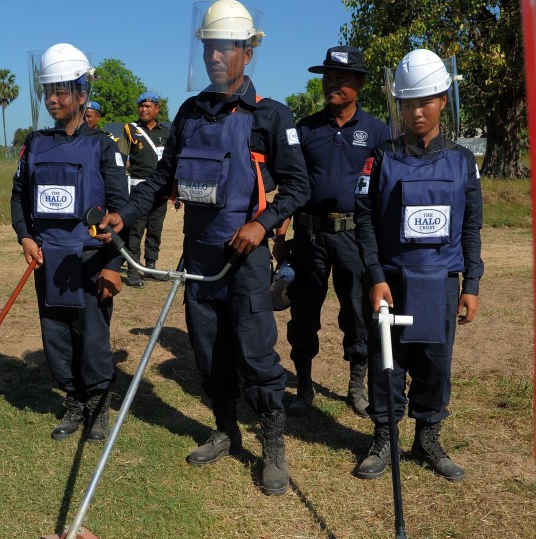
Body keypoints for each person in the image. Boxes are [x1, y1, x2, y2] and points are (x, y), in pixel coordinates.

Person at [98, 0, 310, 496]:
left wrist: (262, 225)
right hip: (198, 258)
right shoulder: (189, 113)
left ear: (247, 52)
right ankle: (225, 429)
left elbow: (299, 187)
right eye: (209, 47)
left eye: (225, 48)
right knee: (209, 351)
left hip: (246, 259)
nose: (216, 57)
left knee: (256, 353)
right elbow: (160, 182)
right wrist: (123, 214)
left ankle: (272, 444)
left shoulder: (271, 116)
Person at [353, 48, 483, 481]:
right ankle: (383, 436)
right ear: (399, 106)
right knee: (387, 362)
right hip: (390, 280)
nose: (417, 112)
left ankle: (428, 437)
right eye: (408, 103)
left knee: (435, 363)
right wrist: (375, 276)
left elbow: (471, 227)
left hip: (441, 281)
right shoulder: (381, 157)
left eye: (425, 101)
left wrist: (472, 283)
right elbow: (365, 219)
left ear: (443, 99)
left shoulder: (463, 161)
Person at [10, 42, 129, 443]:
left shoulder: (103, 145)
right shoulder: (35, 143)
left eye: (62, 90)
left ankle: (98, 405)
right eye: (48, 91)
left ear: (82, 92)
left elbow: (121, 208)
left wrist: (114, 264)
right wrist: (25, 237)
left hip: (91, 260)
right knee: (55, 334)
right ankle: (73, 401)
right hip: (47, 259)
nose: (53, 99)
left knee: (92, 337)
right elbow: (18, 197)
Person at [274, 46, 391, 420]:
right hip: (309, 236)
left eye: (341, 78)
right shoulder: (304, 129)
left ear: (358, 83)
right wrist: (281, 232)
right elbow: (292, 182)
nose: (332, 84)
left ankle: (356, 385)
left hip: (355, 237)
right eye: (327, 77)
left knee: (357, 313)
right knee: (304, 312)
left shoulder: (378, 132)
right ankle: (304, 384)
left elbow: (386, 190)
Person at [118, 91, 171, 287]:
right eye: (141, 106)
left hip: (161, 189)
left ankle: (151, 266)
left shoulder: (166, 133)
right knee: (135, 230)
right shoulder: (130, 129)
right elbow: (121, 159)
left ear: (157, 109)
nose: (144, 109)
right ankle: (133, 269)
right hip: (138, 188)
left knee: (155, 229)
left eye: (148, 106)